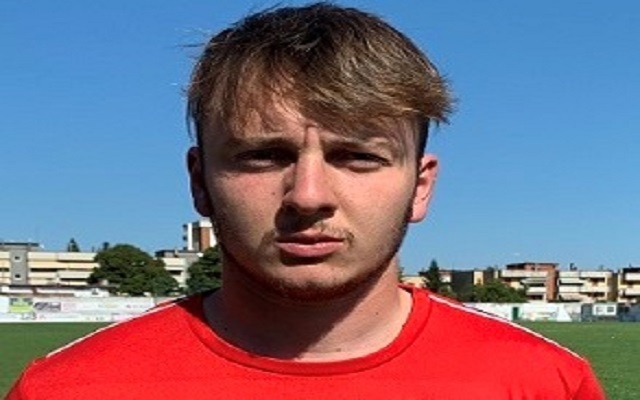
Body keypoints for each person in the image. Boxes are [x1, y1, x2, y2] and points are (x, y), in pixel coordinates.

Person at [7, 3, 605, 399]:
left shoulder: (543, 383)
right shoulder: (67, 389)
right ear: (199, 181)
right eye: (263, 156)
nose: (309, 195)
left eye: (357, 157)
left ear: (420, 186)